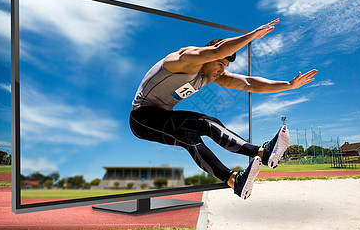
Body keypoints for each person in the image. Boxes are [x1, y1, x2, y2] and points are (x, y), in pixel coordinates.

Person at [130, 18, 318, 199]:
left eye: (225, 66)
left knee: (207, 123)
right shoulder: (184, 60)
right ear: (209, 56)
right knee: (186, 133)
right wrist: (251, 36)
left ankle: (258, 157)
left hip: (163, 115)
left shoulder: (213, 74)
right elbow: (216, 51)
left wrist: (288, 85)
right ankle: (239, 175)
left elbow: (248, 83)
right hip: (141, 117)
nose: (222, 70)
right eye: (220, 63)